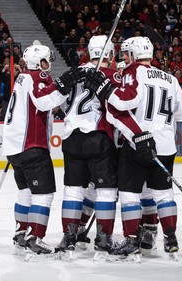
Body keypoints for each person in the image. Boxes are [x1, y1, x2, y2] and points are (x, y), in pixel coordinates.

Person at [86, 36, 182, 260]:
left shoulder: (134, 72)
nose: (123, 58)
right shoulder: (171, 79)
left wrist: (105, 90)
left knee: (129, 194)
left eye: (125, 54)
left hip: (138, 142)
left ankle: (132, 240)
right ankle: (170, 238)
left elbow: (124, 102)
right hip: (165, 145)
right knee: (163, 194)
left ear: (133, 55)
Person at [2, 40, 85, 258]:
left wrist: (58, 93)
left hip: (15, 147)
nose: (50, 63)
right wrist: (63, 86)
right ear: (40, 62)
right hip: (32, 146)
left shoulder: (22, 76)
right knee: (44, 194)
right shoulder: (38, 76)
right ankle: (35, 238)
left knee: (25, 192)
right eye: (47, 60)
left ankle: (21, 233)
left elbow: (41, 103)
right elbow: (43, 101)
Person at [57, 35, 125, 260]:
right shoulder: (110, 74)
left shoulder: (74, 72)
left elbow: (61, 102)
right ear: (110, 54)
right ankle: (104, 239)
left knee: (73, 190)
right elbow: (118, 105)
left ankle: (69, 237)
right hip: (97, 137)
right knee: (105, 191)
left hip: (70, 137)